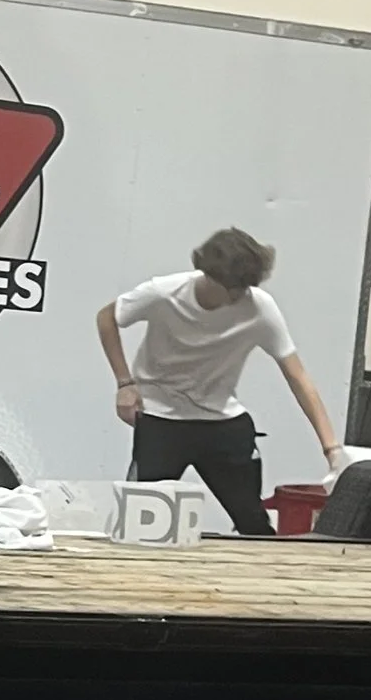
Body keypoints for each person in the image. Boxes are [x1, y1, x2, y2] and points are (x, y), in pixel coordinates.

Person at [96, 227, 341, 537]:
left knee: (253, 524)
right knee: (140, 523)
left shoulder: (259, 307)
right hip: (162, 421)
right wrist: (124, 383)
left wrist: (330, 447)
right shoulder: (163, 294)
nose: (242, 295)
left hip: (223, 424)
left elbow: (297, 375)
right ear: (209, 276)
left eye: (246, 287)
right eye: (235, 288)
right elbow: (107, 318)